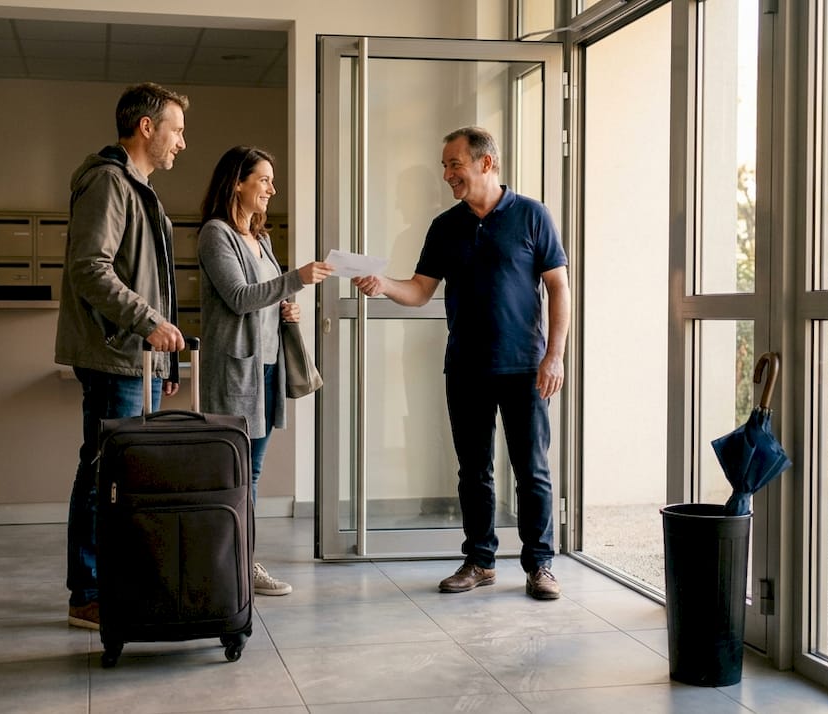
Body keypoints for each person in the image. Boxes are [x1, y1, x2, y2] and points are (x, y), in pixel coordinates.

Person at [352, 126, 570, 601]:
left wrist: (554, 356)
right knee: (473, 471)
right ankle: (480, 561)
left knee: (531, 469)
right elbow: (420, 289)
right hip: (466, 368)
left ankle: (541, 565)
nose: (447, 174)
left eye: (455, 164)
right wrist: (383, 284)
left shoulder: (533, 216)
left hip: (525, 368)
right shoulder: (445, 226)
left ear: (486, 163)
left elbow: (559, 288)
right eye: (445, 166)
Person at [54, 82, 190, 628]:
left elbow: (149, 281)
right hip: (117, 358)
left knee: (123, 476)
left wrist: (167, 363)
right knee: (102, 474)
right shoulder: (109, 182)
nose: (183, 142)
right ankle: (87, 594)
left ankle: (111, 580)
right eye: (177, 130)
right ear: (147, 127)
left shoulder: (136, 186)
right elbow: (90, 268)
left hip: (139, 360)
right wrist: (149, 322)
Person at [195, 146, 334, 596]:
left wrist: (284, 308)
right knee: (234, 473)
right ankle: (235, 565)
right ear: (238, 182)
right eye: (264, 180)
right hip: (237, 371)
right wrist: (295, 278)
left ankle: (239, 562)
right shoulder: (216, 235)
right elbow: (238, 296)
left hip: (267, 369)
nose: (272, 189)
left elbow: (262, 299)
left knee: (250, 473)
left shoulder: (262, 238)